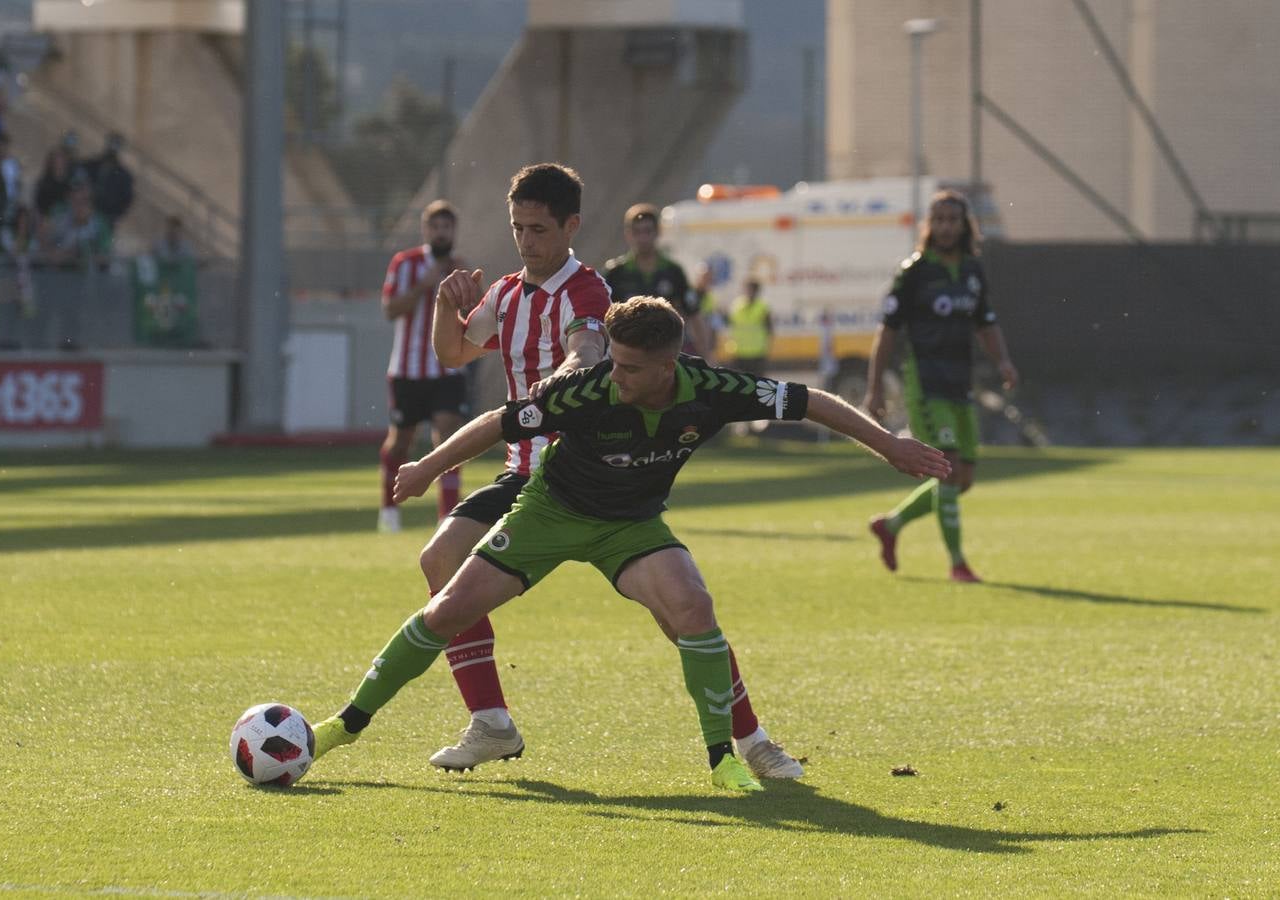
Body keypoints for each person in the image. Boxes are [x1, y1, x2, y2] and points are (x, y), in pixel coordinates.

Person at [309, 296, 951, 791]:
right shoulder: (590, 390)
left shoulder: (713, 389)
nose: (615, 377)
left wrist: (890, 444)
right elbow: (497, 422)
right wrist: (427, 467)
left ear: (671, 365)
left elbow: (811, 402)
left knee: (693, 608)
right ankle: (344, 726)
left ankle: (724, 757)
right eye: (612, 361)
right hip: (549, 513)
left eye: (631, 368)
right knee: (447, 610)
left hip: (633, 526)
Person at [329, 164, 804, 781]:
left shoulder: (587, 291)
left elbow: (587, 347)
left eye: (539, 229)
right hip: (522, 471)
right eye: (518, 228)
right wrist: (450, 309)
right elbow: (454, 353)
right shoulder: (503, 293)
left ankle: (753, 740)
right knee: (438, 559)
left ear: (570, 226)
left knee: (678, 616)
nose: (527, 241)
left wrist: (563, 378)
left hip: (586, 468)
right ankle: (492, 723)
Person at [863, 190, 1019, 583]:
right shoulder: (914, 271)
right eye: (940, 219)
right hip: (926, 382)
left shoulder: (971, 270)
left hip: (959, 381)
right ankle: (957, 564)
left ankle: (892, 525)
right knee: (946, 467)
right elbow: (887, 330)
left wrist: (1002, 360)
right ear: (930, 226)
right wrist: (875, 387)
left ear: (965, 225)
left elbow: (986, 321)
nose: (947, 226)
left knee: (962, 479)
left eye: (954, 219)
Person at [377, 199, 469, 533]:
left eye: (447, 227)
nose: (441, 233)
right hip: (407, 371)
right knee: (402, 442)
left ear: (454, 231)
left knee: (448, 435)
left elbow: (473, 314)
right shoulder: (405, 264)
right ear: (425, 229)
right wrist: (423, 286)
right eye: (435, 226)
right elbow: (389, 309)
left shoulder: (459, 267)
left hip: (446, 370)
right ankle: (389, 508)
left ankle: (447, 517)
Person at [603, 203, 710, 355]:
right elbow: (600, 317)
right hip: (627, 356)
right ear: (628, 234)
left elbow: (694, 314)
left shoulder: (673, 271)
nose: (642, 238)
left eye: (647, 231)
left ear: (658, 232)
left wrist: (705, 356)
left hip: (666, 355)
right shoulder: (615, 273)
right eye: (637, 232)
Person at [84, 132, 134, 227]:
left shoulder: (124, 176)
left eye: (116, 145)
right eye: (111, 143)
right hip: (86, 211)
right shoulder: (93, 165)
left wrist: (115, 215)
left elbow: (127, 199)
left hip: (106, 217)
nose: (112, 148)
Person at [725, 279, 773, 376]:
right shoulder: (736, 305)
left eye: (751, 289)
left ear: (756, 291)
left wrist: (767, 347)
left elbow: (769, 329)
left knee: (759, 385)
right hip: (739, 352)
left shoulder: (762, 307)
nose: (748, 291)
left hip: (757, 353)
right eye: (747, 289)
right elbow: (730, 324)